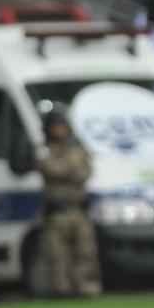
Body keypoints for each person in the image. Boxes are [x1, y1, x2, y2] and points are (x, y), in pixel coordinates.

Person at [37, 108, 100, 297]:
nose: (60, 130)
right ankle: (61, 290)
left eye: (62, 126)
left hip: (78, 209)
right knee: (57, 255)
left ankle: (85, 288)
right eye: (56, 126)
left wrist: (69, 167)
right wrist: (71, 166)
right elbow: (53, 170)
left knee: (85, 253)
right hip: (57, 211)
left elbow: (85, 173)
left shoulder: (77, 148)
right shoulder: (45, 150)